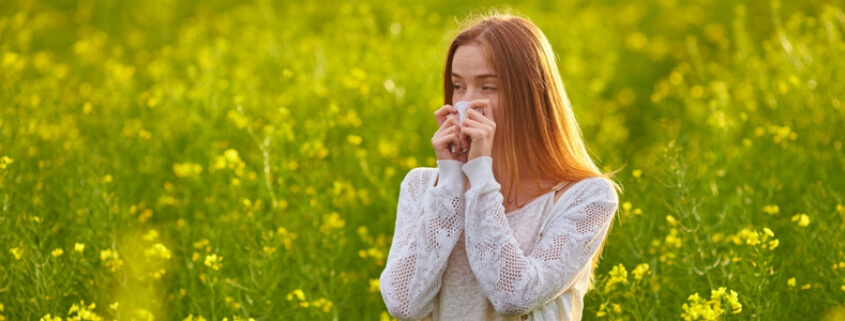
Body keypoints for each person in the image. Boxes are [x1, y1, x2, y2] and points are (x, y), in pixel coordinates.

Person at [380, 12, 621, 321]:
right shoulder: (423, 187)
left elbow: (515, 296)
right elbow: (403, 304)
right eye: (458, 86)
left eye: (488, 87)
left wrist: (480, 176)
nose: (467, 103)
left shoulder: (587, 197)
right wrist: (453, 183)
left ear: (531, 95)